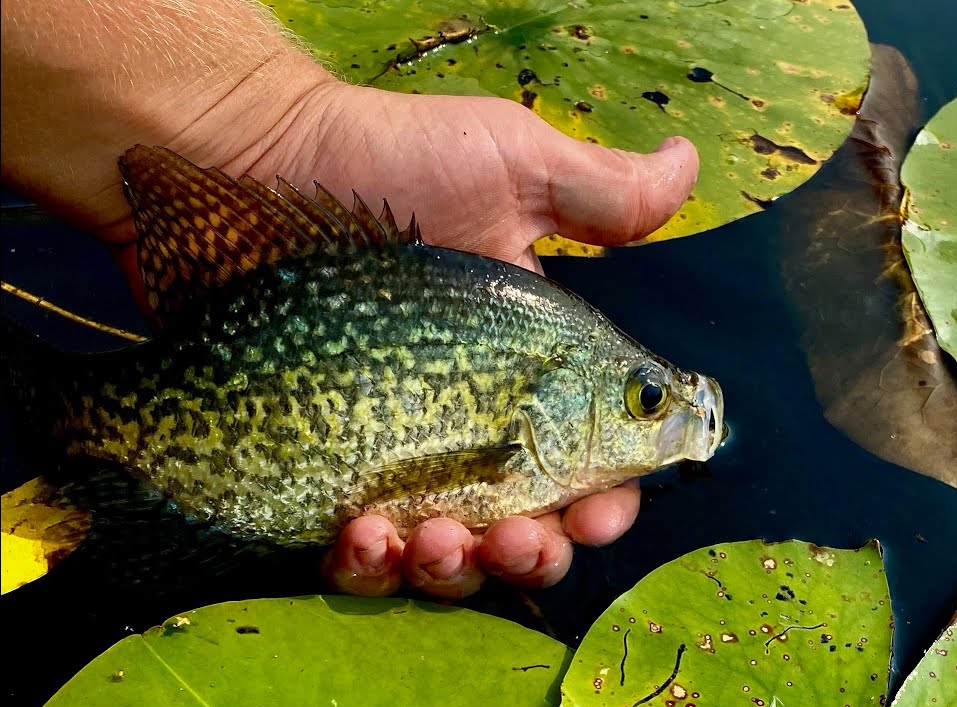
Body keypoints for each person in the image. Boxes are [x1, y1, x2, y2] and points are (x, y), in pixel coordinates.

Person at [1, 0, 699, 599]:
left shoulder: (551, 347)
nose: (665, 411)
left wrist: (267, 122)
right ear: (548, 403)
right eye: (646, 398)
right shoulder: (538, 370)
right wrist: (268, 128)